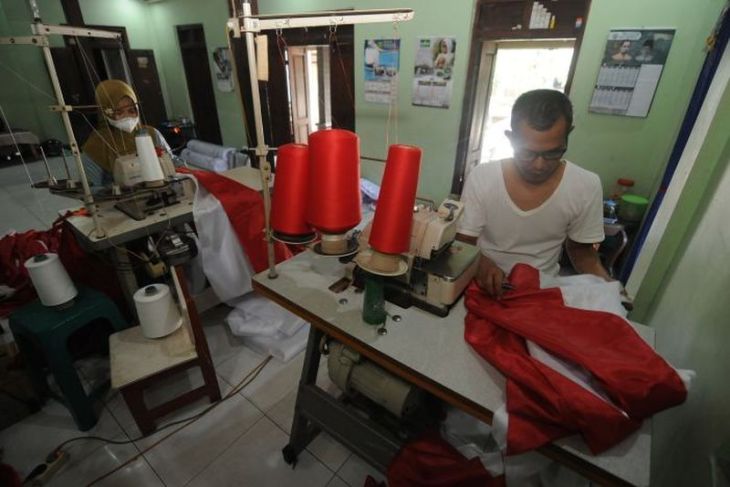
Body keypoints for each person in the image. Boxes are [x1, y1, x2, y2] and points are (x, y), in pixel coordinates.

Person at [457, 89, 610, 297]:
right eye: (527, 153)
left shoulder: (586, 185)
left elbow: (582, 252)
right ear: (510, 138)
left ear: (568, 136)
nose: (539, 165)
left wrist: (609, 287)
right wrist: (482, 264)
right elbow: (463, 242)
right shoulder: (483, 177)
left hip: (541, 290)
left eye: (553, 153)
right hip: (482, 285)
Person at [82, 79, 171, 186]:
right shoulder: (95, 146)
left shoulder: (152, 134)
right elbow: (92, 188)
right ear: (104, 112)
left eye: (131, 110)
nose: (127, 116)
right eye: (118, 112)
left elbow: (172, 163)